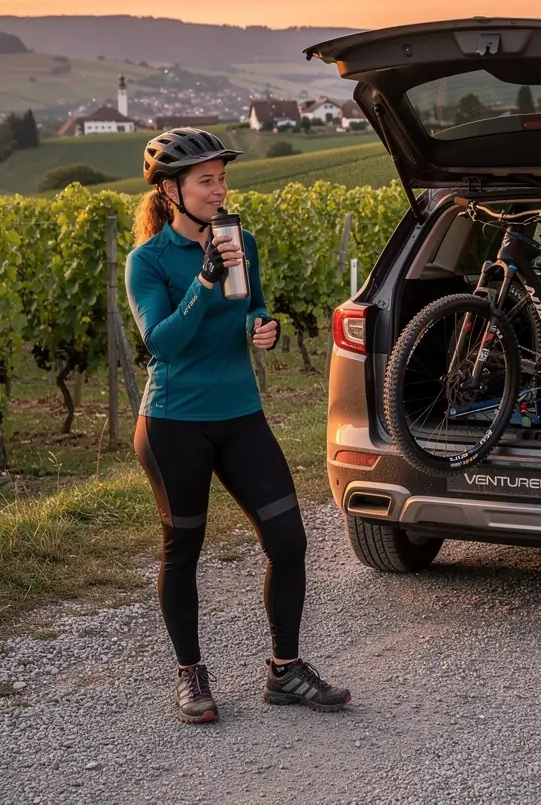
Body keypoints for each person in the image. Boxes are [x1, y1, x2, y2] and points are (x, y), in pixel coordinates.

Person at [126, 127, 351, 724]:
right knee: (184, 550)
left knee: (289, 541)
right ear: (171, 191)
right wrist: (202, 282)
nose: (219, 190)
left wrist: (262, 325)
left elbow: (251, 304)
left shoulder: (239, 240)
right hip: (174, 423)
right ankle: (190, 675)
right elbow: (162, 343)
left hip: (240, 415)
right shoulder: (147, 261)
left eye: (222, 179)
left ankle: (285, 671)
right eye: (206, 181)